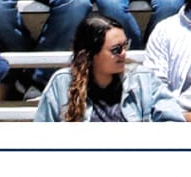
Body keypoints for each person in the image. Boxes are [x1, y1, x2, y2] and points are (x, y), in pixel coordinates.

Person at [34, 13, 180, 121]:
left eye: (125, 46)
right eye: (116, 49)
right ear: (91, 54)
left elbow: (172, 121)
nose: (124, 53)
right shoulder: (61, 83)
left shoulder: (143, 79)